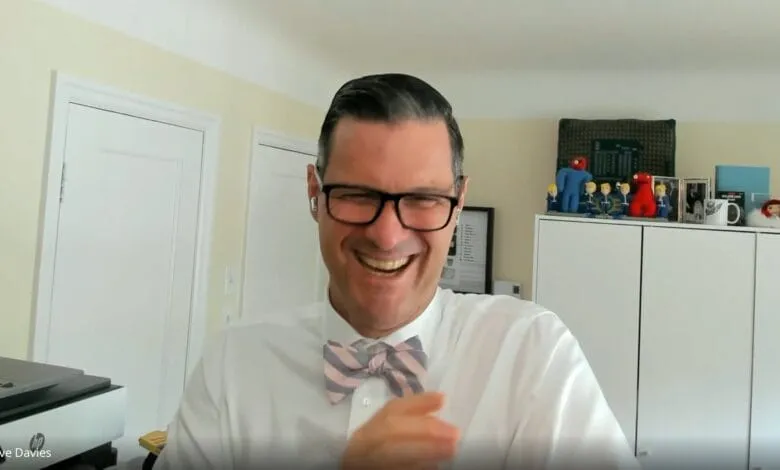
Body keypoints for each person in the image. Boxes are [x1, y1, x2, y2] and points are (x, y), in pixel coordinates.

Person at [155, 73, 639, 469]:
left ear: (458, 202)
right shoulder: (233, 367)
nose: (387, 235)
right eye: (357, 195)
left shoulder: (532, 353)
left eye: (423, 199)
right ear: (313, 193)